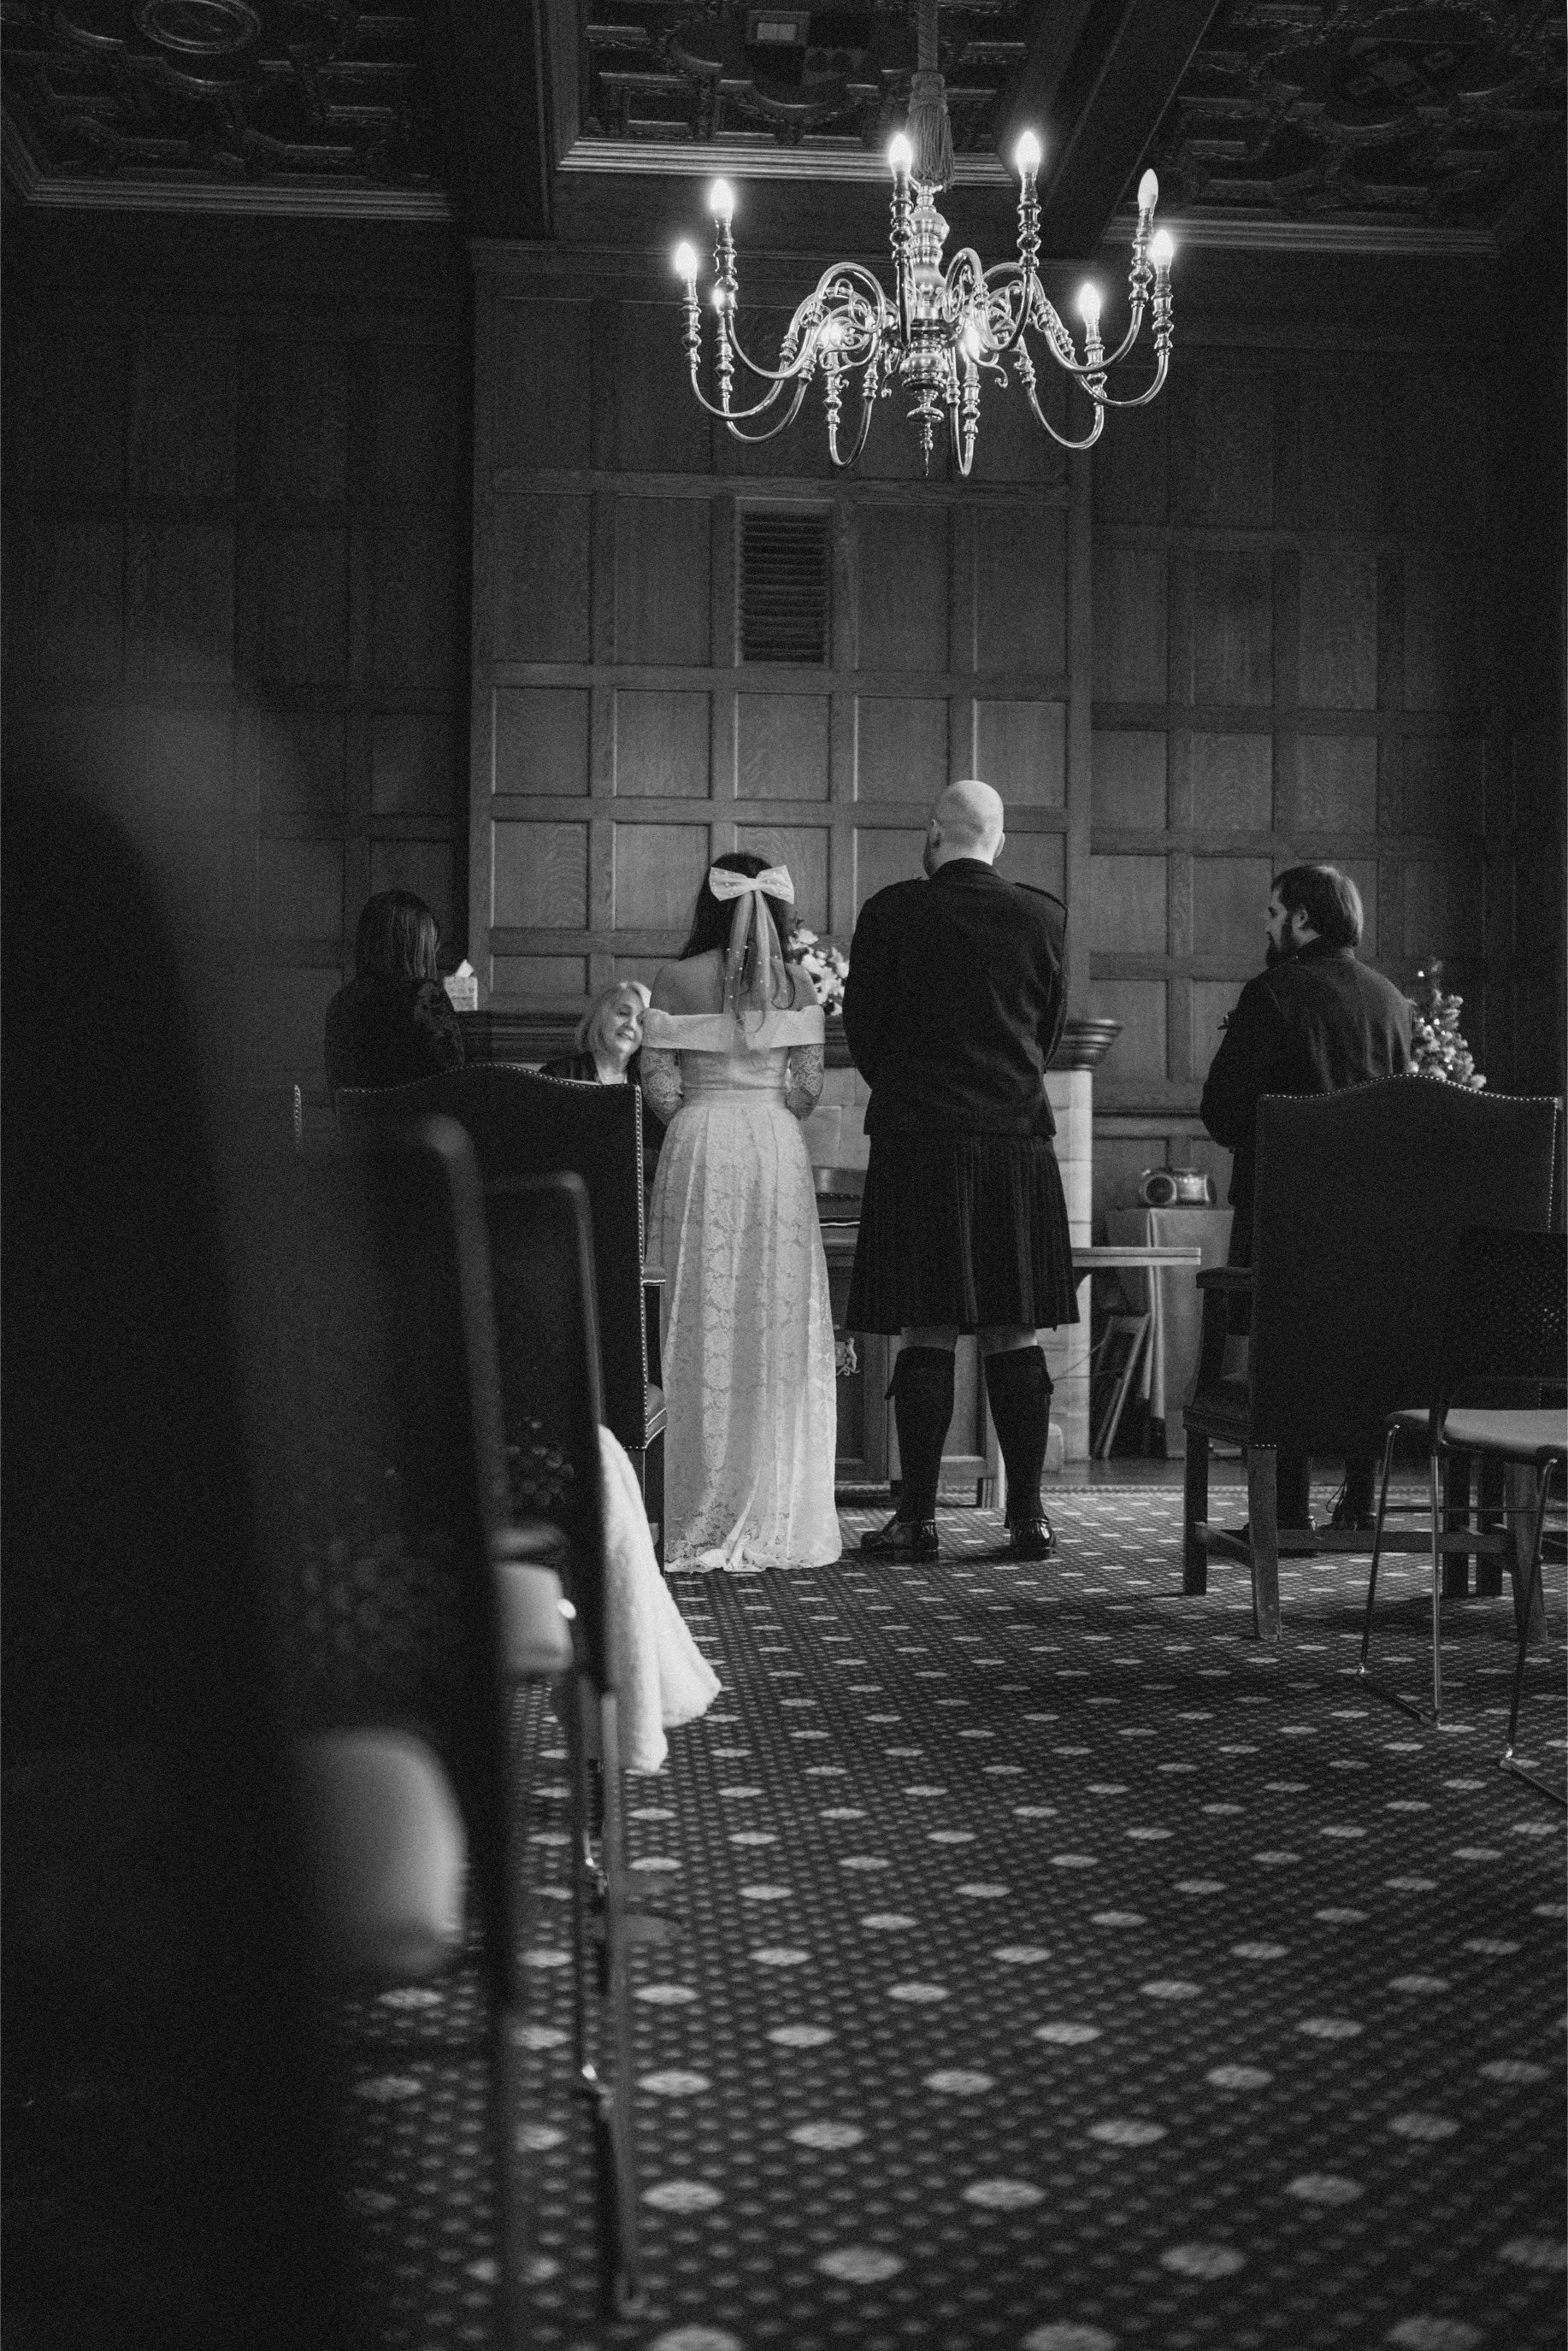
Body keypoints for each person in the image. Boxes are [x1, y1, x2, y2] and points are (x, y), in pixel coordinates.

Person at [843, 781, 1076, 1564]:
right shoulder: (1045, 917)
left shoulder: (890, 912)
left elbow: (865, 1033)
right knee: (1014, 1328)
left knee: (927, 1325)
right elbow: (1047, 1035)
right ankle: (1028, 1518)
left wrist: (917, 1090)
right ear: (998, 840)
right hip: (1013, 1142)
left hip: (920, 1140)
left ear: (932, 833)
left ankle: (917, 1519)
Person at [639, 854, 841, 1573]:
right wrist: (764, 1108)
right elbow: (807, 1090)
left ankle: (691, 1501)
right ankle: (773, 1503)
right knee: (773, 1320)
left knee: (697, 1313)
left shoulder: (673, 979)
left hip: (698, 1144)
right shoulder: (796, 982)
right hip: (773, 1151)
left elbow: (657, 1087)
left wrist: (701, 1110)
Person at [1200, 862, 1412, 1535]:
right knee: (1362, 1351)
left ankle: (1285, 1513)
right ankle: (1358, 1500)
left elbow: (1223, 1109)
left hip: (1284, 1216)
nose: (1267, 926)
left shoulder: (1274, 993)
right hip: (1375, 1221)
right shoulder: (1390, 1001)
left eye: (1272, 914)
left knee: (1280, 1355)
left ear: (1302, 919)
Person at [324, 890, 464, 1099]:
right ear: (416, 945)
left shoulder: (341, 1001)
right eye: (431, 947)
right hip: (418, 1125)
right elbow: (454, 1079)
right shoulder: (424, 995)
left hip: (359, 1127)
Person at [539, 979, 663, 1172]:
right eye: (623, 1013)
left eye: (641, 1022)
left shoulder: (652, 1085)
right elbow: (546, 1149)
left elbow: (661, 1154)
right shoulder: (557, 1074)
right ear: (601, 1016)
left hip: (634, 1189)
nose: (631, 1025)